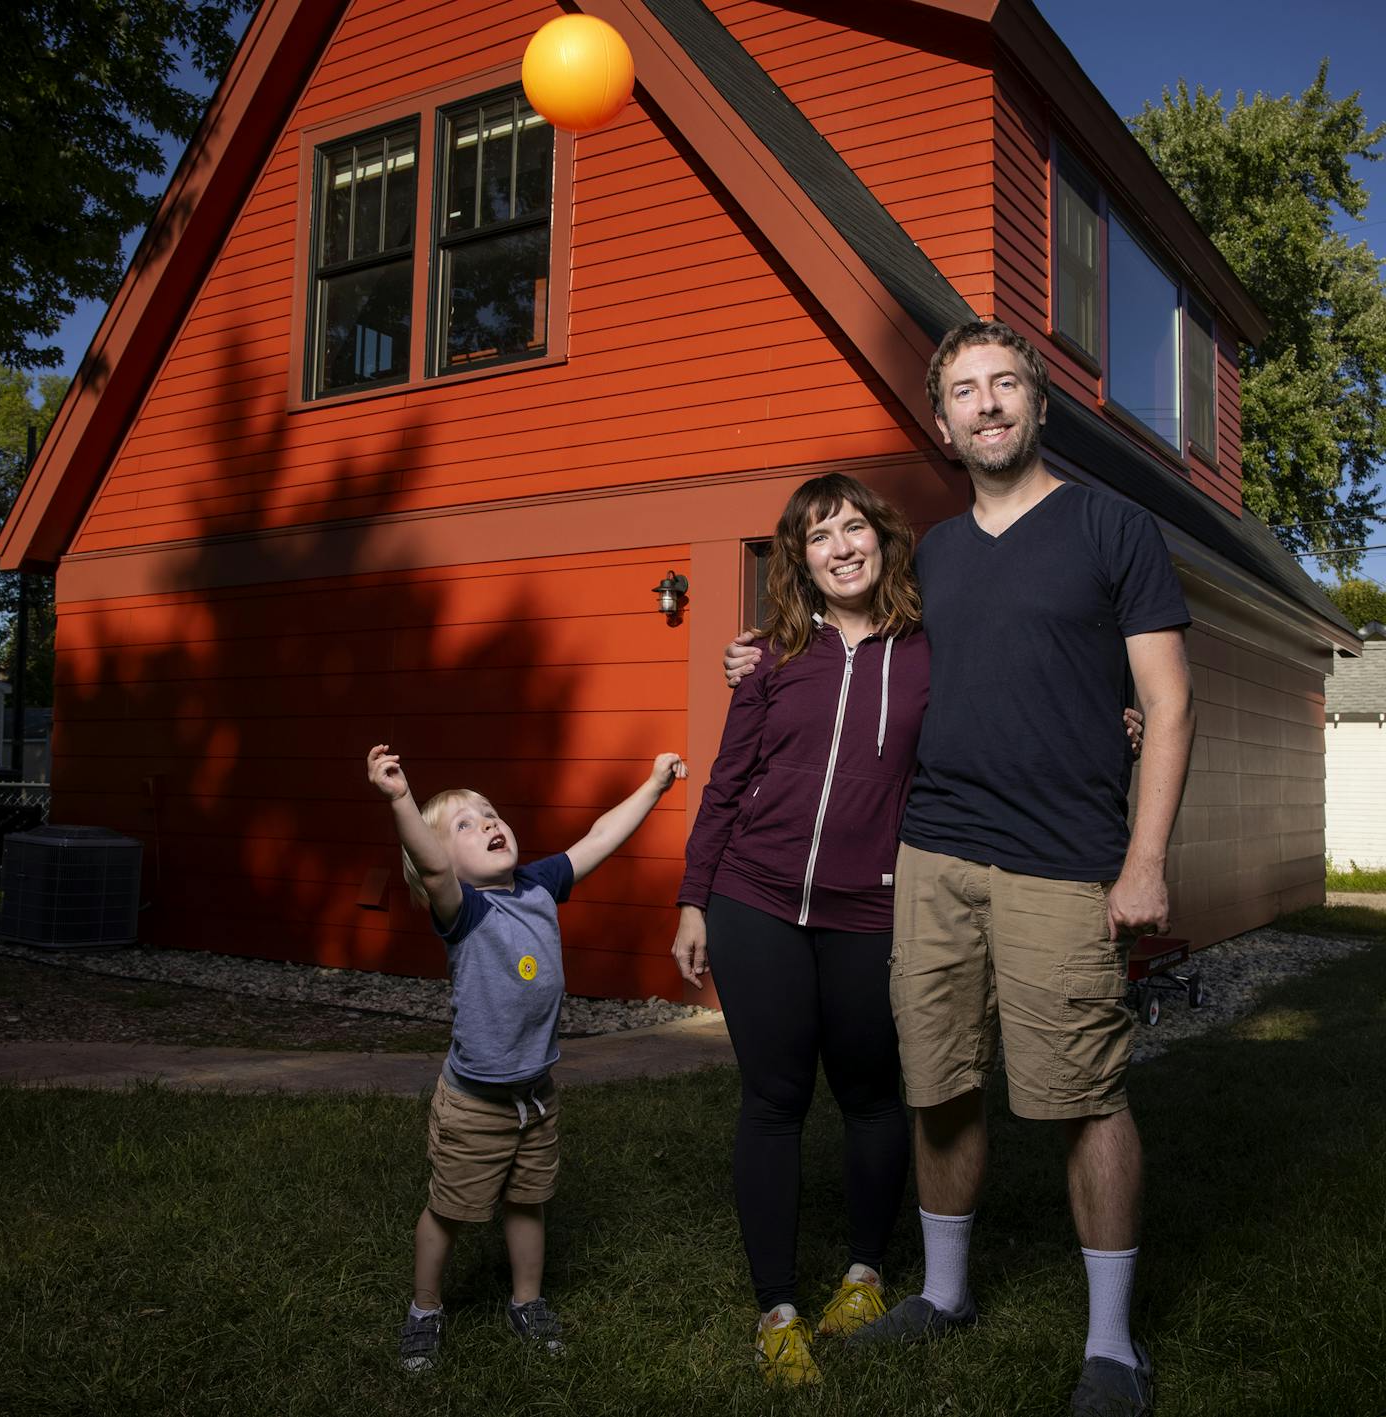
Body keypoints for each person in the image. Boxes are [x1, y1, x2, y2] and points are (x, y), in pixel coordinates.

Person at [727, 320, 1194, 1417]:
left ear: (1038, 405)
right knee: (935, 1082)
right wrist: (753, 654)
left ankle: (1112, 1345)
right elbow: (845, 635)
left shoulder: (1109, 526)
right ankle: (941, 1295)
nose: (986, 405)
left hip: (1062, 859)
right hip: (927, 857)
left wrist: (1143, 859)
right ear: (939, 425)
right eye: (963, 393)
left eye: (1004, 386)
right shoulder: (926, 554)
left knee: (1084, 1097)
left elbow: (1165, 702)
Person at [672, 473, 930, 1387]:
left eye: (854, 526)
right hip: (756, 900)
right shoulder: (773, 654)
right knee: (773, 1100)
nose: (842, 547)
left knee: (870, 1092)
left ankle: (865, 1272)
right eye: (821, 536)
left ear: (882, 538)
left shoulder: (930, 651)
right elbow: (726, 779)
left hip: (873, 910)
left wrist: (1117, 718)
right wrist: (695, 897)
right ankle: (777, 1310)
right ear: (801, 559)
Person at [366, 743, 686, 1371]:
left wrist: (652, 786)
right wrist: (402, 798)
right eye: (465, 824)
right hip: (476, 1103)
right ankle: (424, 1309)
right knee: (449, 1210)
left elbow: (599, 837)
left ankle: (527, 1301)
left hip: (535, 1096)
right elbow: (432, 870)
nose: (488, 822)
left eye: (489, 813)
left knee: (528, 1200)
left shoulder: (538, 885)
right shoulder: (463, 908)